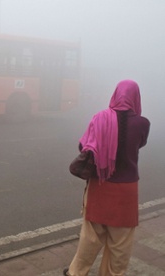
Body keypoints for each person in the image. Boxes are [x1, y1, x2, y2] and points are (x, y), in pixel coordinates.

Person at [64, 80, 150, 276]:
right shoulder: (143, 123)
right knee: (121, 243)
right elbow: (139, 144)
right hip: (126, 191)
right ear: (136, 97)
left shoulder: (100, 118)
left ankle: (76, 272)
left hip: (100, 185)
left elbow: (84, 148)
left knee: (90, 237)